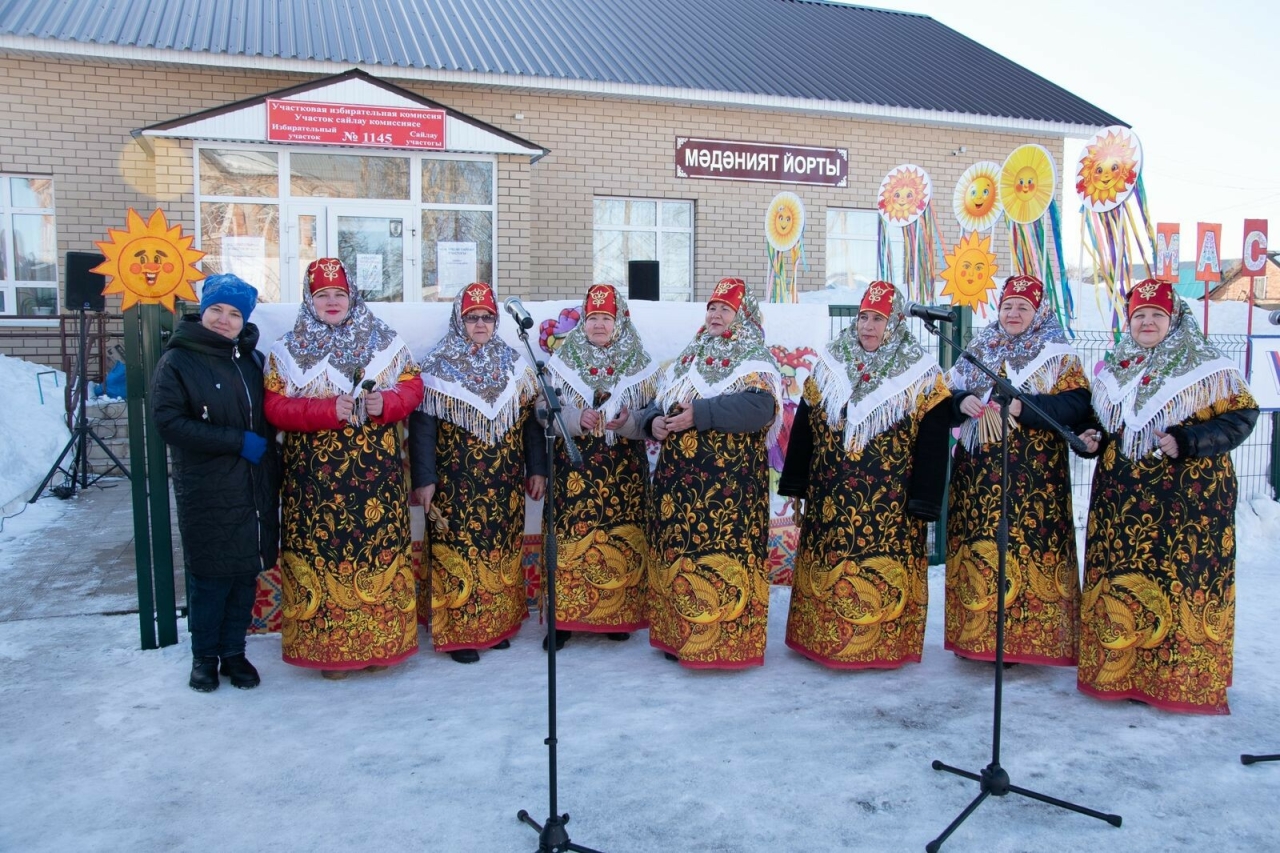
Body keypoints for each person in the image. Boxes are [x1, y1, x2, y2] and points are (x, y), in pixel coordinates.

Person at [1076, 279, 1257, 714]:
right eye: (1140, 316)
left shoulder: (1208, 366)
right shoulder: (1117, 366)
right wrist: (1091, 438)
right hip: (1122, 505)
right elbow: (1105, 422)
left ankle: (1178, 679)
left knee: (1178, 584)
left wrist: (1189, 439)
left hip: (1187, 508)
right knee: (1125, 584)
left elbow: (1241, 418)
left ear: (1174, 319)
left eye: (1157, 315)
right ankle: (1122, 672)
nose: (1147, 322)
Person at [264, 258, 424, 680]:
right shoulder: (286, 349)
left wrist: (386, 404)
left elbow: (412, 385)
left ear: (352, 297)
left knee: (376, 558)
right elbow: (274, 407)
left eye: (339, 294)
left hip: (376, 483)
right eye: (322, 295)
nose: (332, 302)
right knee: (323, 559)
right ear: (309, 299)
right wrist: (324, 410)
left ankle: (380, 646)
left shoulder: (385, 341)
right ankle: (330, 655)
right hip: (315, 485)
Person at [779, 281, 951, 669]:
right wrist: (796, 481)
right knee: (831, 566)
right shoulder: (832, 362)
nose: (868, 327)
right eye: (864, 318)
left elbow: (933, 440)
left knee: (877, 573)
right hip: (830, 494)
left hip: (890, 503)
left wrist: (925, 499)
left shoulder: (920, 372)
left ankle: (879, 646)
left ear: (895, 324)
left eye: (878, 319)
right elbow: (806, 423)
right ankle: (823, 641)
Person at [635, 277, 783, 669]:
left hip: (727, 493)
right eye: (712, 307)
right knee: (682, 561)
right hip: (679, 487)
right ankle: (677, 637)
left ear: (743, 315)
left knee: (719, 562)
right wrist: (655, 423)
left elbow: (759, 411)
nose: (716, 315)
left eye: (725, 309)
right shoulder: (691, 355)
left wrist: (699, 415)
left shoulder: (755, 358)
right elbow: (660, 401)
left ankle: (725, 645)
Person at [943, 274, 1090, 666]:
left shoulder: (1057, 353)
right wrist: (962, 403)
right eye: (1008, 305)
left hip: (1033, 481)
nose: (1013, 313)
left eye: (1022, 307)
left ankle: (1025, 642)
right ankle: (975, 637)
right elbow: (946, 395)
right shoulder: (981, 346)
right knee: (979, 552)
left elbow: (1078, 406)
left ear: (1038, 312)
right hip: (976, 475)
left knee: (1023, 553)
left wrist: (1028, 408)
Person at [151, 273, 280, 692]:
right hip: (206, 487)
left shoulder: (251, 360)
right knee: (210, 576)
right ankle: (204, 658)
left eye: (234, 314)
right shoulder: (179, 359)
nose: (224, 320)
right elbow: (169, 422)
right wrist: (235, 441)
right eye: (217, 311)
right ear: (203, 312)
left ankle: (234, 654)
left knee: (244, 573)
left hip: (251, 488)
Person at [409, 283, 548, 664]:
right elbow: (422, 429)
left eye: (487, 317)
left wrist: (536, 468)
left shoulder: (515, 364)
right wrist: (424, 479)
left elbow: (530, 424)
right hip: (455, 482)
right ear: (460, 320)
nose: (481, 323)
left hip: (503, 482)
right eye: (473, 317)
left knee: (500, 551)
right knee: (459, 554)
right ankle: (460, 634)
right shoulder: (437, 366)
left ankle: (496, 625)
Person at [541, 283, 658, 651]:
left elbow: (654, 413)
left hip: (624, 474)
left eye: (606, 318)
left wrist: (625, 420)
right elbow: (540, 412)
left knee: (620, 542)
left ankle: (618, 615)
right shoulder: (561, 362)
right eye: (593, 318)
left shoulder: (641, 364)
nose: (599, 325)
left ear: (619, 321)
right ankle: (562, 622)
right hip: (572, 473)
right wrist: (574, 418)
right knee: (569, 543)